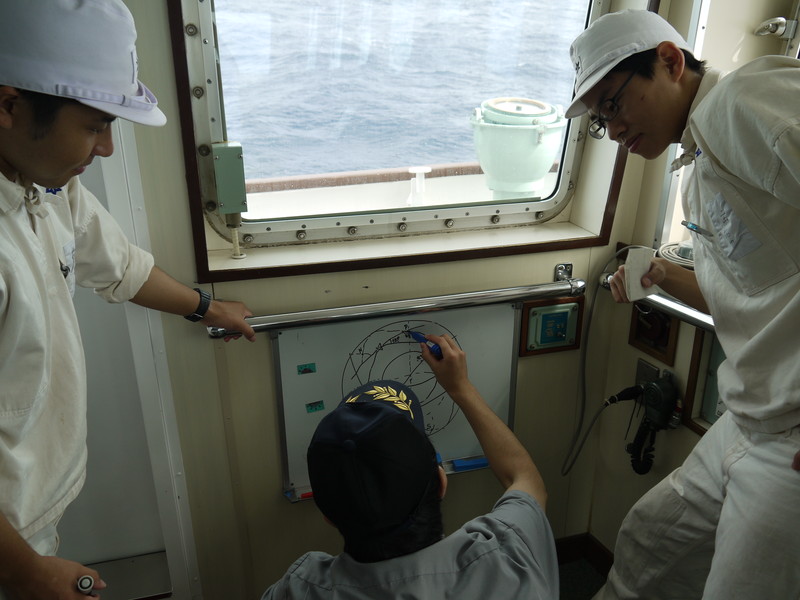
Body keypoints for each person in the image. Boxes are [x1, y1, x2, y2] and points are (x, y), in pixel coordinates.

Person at [0, 1, 257, 598]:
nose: (108, 148)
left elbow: (118, 266)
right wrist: (25, 572)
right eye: (94, 126)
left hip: (26, 515)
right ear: (9, 106)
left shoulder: (43, 184)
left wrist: (207, 308)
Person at [565, 9, 800, 599]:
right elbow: (746, 296)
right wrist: (665, 275)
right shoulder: (698, 164)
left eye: (613, 104)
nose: (612, 129)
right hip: (749, 415)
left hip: (791, 437)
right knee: (648, 546)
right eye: (600, 120)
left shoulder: (743, 102)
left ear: (670, 61)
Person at [261, 333, 558, 599]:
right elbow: (524, 478)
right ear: (441, 483)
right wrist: (460, 388)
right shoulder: (505, 558)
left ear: (328, 515)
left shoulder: (299, 588)